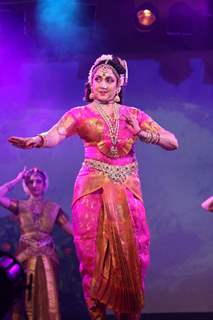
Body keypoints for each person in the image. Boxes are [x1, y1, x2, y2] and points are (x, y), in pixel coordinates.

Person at [8, 54, 178, 320]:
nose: (103, 84)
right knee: (93, 258)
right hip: (91, 191)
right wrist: (38, 140)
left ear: (119, 84)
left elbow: (172, 141)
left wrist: (142, 133)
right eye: (97, 78)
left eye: (109, 79)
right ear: (90, 82)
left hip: (127, 193)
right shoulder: (79, 114)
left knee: (131, 255)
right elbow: (57, 134)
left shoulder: (133, 115)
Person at [0, 167, 72, 320]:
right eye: (30, 182)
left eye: (38, 181)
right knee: (20, 297)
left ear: (45, 184)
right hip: (23, 256)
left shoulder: (53, 208)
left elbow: (74, 233)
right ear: (26, 186)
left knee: (49, 296)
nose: (34, 184)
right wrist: (17, 180)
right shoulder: (19, 206)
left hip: (48, 257)